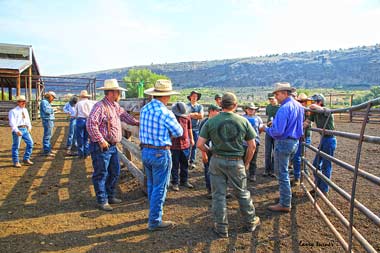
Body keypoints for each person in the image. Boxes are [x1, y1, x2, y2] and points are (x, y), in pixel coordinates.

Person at [197, 92, 260, 238]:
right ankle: (250, 222)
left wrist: (210, 151)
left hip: (217, 161)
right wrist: (246, 162)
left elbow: (200, 144)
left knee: (218, 195)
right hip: (236, 161)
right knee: (242, 192)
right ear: (235, 105)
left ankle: (221, 227)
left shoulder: (211, 121)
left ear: (220, 105)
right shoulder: (243, 121)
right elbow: (252, 146)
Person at [87, 79, 139, 211]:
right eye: (118, 92)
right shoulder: (100, 106)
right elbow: (91, 124)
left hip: (111, 145)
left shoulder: (115, 106)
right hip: (102, 146)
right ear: (112, 92)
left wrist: (137, 122)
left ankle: (109, 195)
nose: (120, 94)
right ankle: (102, 200)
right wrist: (101, 140)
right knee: (101, 173)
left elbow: (125, 116)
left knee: (114, 171)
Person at [139, 79, 183, 231]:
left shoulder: (145, 109)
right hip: (160, 152)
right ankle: (155, 220)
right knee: (160, 187)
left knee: (152, 184)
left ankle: (153, 214)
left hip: (146, 151)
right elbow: (179, 132)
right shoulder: (166, 113)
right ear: (166, 96)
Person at [260, 82, 304, 212]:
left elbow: (278, 131)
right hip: (294, 141)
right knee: (284, 171)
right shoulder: (299, 106)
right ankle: (286, 199)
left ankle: (285, 202)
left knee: (282, 173)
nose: (276, 97)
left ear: (284, 93)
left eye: (277, 94)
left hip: (284, 142)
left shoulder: (284, 108)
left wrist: (266, 128)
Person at [305, 94, 337, 195]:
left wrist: (310, 106)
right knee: (316, 164)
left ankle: (324, 189)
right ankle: (318, 186)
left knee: (326, 165)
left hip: (330, 139)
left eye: (314, 101)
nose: (312, 103)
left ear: (320, 102)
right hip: (324, 139)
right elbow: (307, 122)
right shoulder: (314, 113)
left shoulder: (326, 110)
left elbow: (318, 108)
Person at [170, 102, 194, 191]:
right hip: (174, 144)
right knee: (175, 164)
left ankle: (184, 180)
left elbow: (189, 128)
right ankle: (175, 182)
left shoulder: (187, 117)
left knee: (185, 163)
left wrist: (191, 139)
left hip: (185, 144)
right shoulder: (171, 117)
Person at [198, 104, 221, 198]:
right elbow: (201, 140)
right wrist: (204, 153)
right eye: (217, 110)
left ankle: (218, 190)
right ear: (211, 111)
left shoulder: (218, 122)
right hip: (207, 149)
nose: (219, 113)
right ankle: (210, 190)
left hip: (216, 149)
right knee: (208, 169)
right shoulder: (204, 122)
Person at [292, 93, 312, 186]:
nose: (302, 103)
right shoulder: (298, 110)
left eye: (303, 101)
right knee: (297, 156)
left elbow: (306, 124)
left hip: (304, 136)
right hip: (299, 136)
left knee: (299, 156)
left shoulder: (308, 112)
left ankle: (299, 176)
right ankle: (300, 175)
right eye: (300, 101)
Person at [9, 95, 34, 167]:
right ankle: (16, 161)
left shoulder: (25, 110)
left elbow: (27, 119)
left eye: (24, 101)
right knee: (16, 146)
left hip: (25, 128)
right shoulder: (13, 111)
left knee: (30, 143)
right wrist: (16, 130)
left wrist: (29, 127)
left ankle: (26, 158)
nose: (23, 103)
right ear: (18, 102)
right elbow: (12, 122)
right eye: (22, 101)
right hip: (18, 129)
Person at [242, 102, 263, 182]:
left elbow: (260, 129)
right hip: (244, 142)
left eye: (253, 109)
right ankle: (242, 173)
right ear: (246, 109)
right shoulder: (242, 118)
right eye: (249, 109)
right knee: (243, 158)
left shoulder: (258, 119)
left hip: (255, 141)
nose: (251, 110)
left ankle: (252, 174)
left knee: (253, 160)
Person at [263, 93, 280, 177]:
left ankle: (273, 170)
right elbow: (268, 115)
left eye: (272, 99)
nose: (271, 100)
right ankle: (267, 169)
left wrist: (274, 121)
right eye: (270, 99)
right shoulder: (268, 107)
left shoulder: (280, 107)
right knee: (267, 151)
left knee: (275, 151)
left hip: (276, 130)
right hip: (269, 130)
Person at [186, 90, 204, 169]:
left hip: (196, 128)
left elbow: (201, 116)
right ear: (190, 97)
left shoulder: (200, 106)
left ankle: (192, 161)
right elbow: (185, 115)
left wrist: (191, 115)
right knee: (186, 145)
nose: (194, 97)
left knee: (194, 146)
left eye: (196, 96)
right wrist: (196, 114)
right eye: (193, 96)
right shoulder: (186, 106)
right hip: (187, 128)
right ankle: (185, 160)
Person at [75, 90, 95, 159]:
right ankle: (86, 153)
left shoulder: (78, 103)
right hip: (88, 120)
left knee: (80, 137)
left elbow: (75, 113)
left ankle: (81, 154)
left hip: (80, 120)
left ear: (81, 96)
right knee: (86, 138)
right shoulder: (91, 103)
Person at [40, 91, 57, 156]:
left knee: (48, 135)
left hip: (49, 120)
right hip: (47, 120)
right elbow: (47, 111)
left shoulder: (46, 102)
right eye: (53, 97)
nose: (53, 99)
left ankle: (48, 149)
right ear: (50, 96)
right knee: (47, 136)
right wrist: (53, 109)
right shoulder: (44, 102)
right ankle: (47, 151)